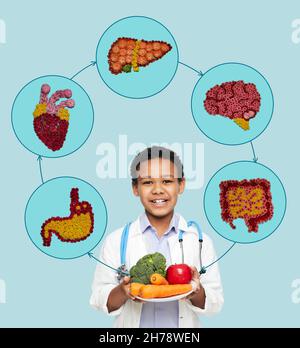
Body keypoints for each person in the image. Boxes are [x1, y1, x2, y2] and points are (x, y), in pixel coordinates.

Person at [90, 146, 224, 328]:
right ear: (135, 188)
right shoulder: (116, 240)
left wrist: (197, 292)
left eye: (167, 181)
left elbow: (215, 302)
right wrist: (122, 291)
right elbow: (99, 298)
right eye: (147, 182)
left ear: (181, 185)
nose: (158, 190)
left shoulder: (200, 241)